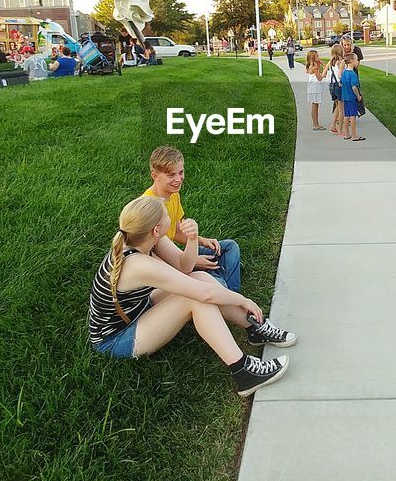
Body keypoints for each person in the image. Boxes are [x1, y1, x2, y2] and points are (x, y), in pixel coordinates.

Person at [87, 195, 294, 396]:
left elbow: (184, 267)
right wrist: (244, 300)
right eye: (166, 215)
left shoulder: (144, 238)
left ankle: (255, 328)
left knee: (200, 276)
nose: (171, 218)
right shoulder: (138, 264)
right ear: (157, 229)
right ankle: (243, 371)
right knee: (195, 299)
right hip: (116, 340)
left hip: (138, 309)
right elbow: (203, 294)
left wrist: (193, 239)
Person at [143, 146, 242, 291]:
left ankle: (228, 292)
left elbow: (176, 231)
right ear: (155, 175)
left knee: (229, 247)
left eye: (181, 172)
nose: (178, 179)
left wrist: (202, 241)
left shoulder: (173, 194)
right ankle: (222, 289)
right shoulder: (149, 207)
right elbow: (151, 257)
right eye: (171, 175)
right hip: (166, 266)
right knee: (215, 282)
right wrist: (193, 261)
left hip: (176, 256)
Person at [340, 54, 365, 141]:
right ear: (351, 61)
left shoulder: (344, 73)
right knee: (353, 116)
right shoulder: (353, 74)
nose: (357, 61)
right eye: (356, 60)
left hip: (345, 97)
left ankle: (347, 134)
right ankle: (354, 135)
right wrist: (358, 96)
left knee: (347, 115)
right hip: (351, 98)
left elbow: (341, 83)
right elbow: (354, 87)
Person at [305, 50, 325, 130]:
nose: (319, 57)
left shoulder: (312, 66)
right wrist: (324, 73)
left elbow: (324, 65)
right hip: (315, 88)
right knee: (315, 106)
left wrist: (321, 62)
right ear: (313, 58)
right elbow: (319, 78)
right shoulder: (314, 67)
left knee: (315, 106)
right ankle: (315, 124)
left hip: (313, 87)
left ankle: (316, 123)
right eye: (317, 56)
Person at [327, 44, 345, 136]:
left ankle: (333, 125)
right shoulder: (341, 62)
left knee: (337, 106)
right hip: (339, 86)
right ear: (340, 52)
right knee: (342, 109)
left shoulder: (330, 62)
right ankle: (341, 130)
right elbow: (340, 76)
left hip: (331, 86)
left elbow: (325, 73)